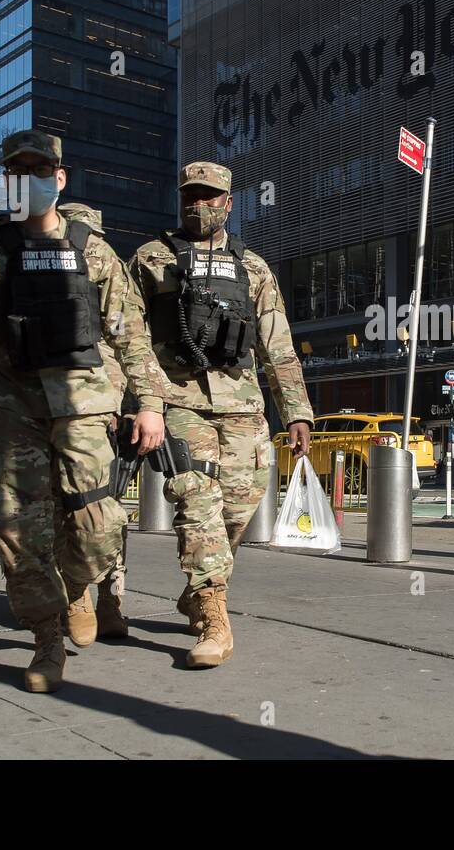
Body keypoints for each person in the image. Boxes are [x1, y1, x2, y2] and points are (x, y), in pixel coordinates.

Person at [0, 131, 169, 693]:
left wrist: (151, 405)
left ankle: (77, 588)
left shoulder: (94, 252)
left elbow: (131, 337)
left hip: (84, 407)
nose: (29, 181)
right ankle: (46, 640)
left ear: (60, 179)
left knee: (100, 525)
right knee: (15, 525)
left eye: (41, 171)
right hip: (10, 409)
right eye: (17, 172)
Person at [129, 160, 313, 669]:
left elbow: (278, 344)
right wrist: (144, 403)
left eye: (210, 196)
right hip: (178, 400)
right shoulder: (150, 260)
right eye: (190, 195)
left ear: (229, 203)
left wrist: (296, 411)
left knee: (238, 508)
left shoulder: (253, 267)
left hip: (243, 405)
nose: (199, 204)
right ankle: (214, 616)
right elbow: (128, 337)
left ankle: (203, 583)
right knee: (197, 501)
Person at [58, 202, 132, 640]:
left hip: (95, 404)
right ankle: (90, 593)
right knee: (91, 503)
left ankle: (101, 596)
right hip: (86, 403)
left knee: (95, 506)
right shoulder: (104, 258)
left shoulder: (102, 262)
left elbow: (126, 338)